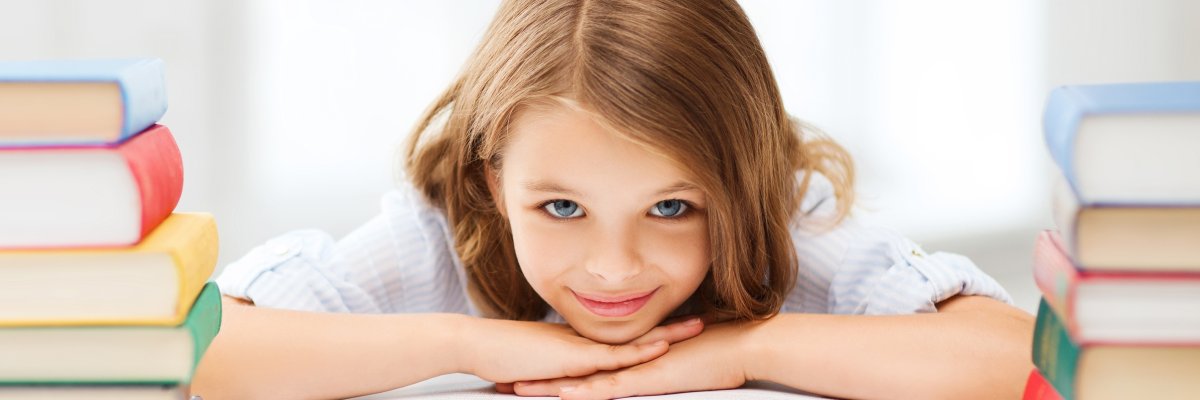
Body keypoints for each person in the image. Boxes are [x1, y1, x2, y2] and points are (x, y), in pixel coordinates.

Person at [191, 0, 1034, 399]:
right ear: (493, 183)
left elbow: (1017, 355)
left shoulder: (778, 227)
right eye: (562, 209)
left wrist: (743, 351)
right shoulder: (444, 233)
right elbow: (204, 352)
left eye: (671, 208)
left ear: (737, 186)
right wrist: (471, 343)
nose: (613, 268)